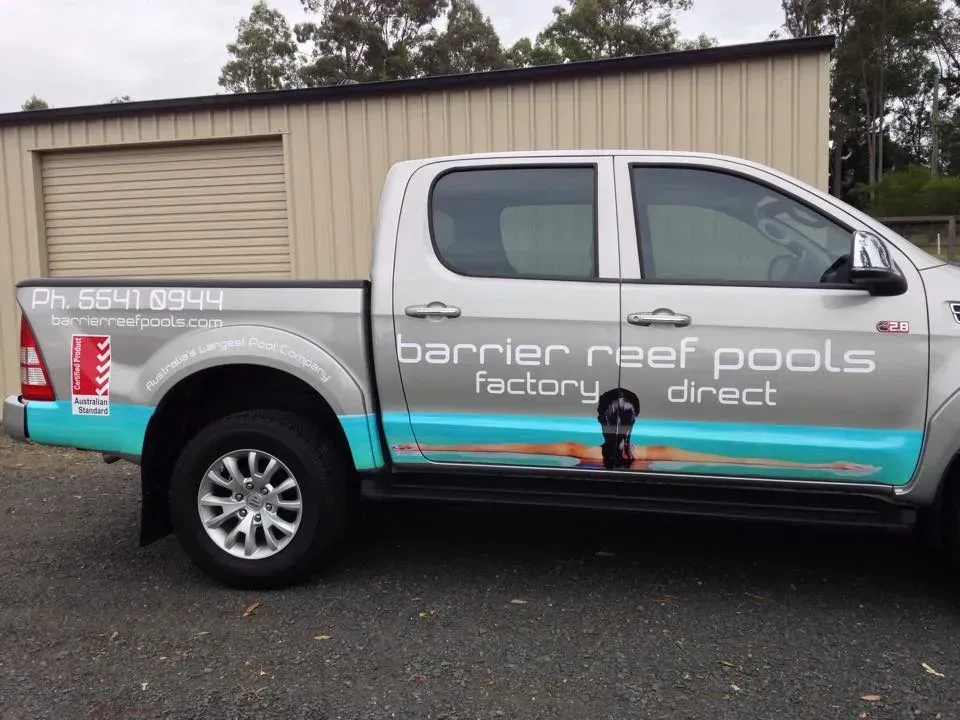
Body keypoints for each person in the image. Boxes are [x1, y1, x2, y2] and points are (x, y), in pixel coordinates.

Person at [393, 387, 878, 475]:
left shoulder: (584, 448)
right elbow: (501, 446)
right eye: (617, 415)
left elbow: (739, 461)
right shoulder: (578, 448)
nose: (620, 423)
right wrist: (421, 444)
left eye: (624, 415)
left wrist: (825, 464)